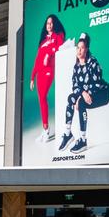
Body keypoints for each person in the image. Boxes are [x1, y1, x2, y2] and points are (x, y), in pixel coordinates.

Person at [57, 33, 109, 154]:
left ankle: (83, 140)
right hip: (86, 94)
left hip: (101, 93)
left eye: (82, 48)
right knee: (71, 98)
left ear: (86, 49)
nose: (79, 50)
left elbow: (96, 83)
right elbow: (75, 85)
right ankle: (67, 134)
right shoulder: (76, 66)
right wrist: (82, 94)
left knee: (81, 104)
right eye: (78, 48)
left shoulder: (93, 63)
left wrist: (83, 96)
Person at [28, 14, 66, 143]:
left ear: (54, 24)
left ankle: (46, 130)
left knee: (43, 97)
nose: (49, 25)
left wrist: (49, 55)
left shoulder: (58, 36)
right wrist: (32, 77)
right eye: (47, 23)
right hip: (40, 74)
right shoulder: (43, 41)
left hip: (49, 71)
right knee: (41, 100)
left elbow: (59, 48)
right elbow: (37, 60)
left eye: (51, 23)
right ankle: (45, 130)